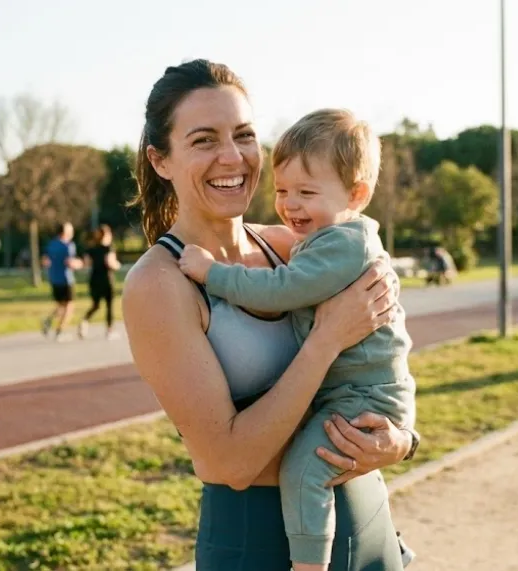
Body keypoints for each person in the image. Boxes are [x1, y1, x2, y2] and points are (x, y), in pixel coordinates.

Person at [120, 59, 419, 571]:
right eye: (204, 140)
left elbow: (384, 355)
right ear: (160, 159)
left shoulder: (298, 244)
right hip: (259, 543)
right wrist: (326, 338)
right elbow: (227, 461)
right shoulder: (158, 284)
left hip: (369, 522)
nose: (232, 156)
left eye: (244, 135)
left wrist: (402, 441)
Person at [41, 221, 84, 341]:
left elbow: (45, 260)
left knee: (61, 305)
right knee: (69, 307)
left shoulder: (51, 244)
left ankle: (47, 321)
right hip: (66, 279)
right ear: (65, 232)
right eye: (70, 230)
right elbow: (70, 263)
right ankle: (59, 331)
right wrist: (80, 263)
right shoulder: (68, 245)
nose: (72, 232)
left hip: (54, 278)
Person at [79, 224, 122, 341]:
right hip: (106, 280)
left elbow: (86, 263)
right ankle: (109, 331)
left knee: (95, 305)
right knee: (109, 305)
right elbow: (110, 262)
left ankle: (84, 321)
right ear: (107, 235)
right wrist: (118, 266)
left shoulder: (92, 249)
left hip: (94, 279)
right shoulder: (109, 248)